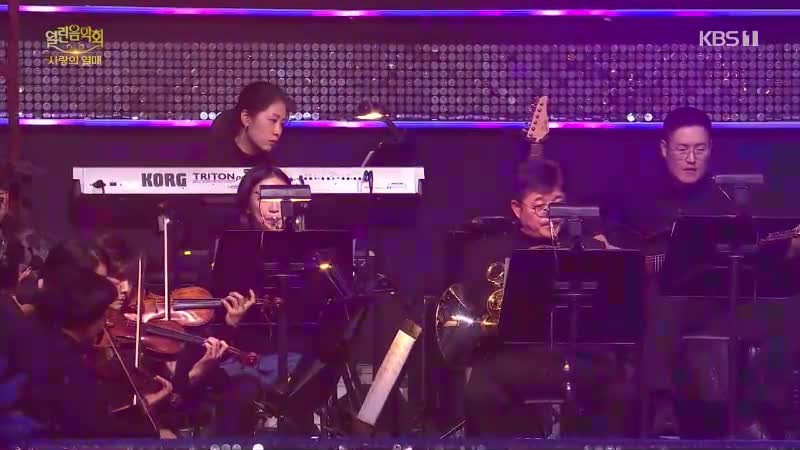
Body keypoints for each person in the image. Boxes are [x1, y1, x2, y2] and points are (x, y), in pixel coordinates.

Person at [604, 107, 800, 438]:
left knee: (792, 308)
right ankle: (660, 404)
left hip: (725, 305)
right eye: (682, 149)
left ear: (711, 149)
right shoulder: (638, 199)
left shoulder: (728, 199)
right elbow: (610, 243)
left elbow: (763, 251)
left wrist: (788, 247)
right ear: (664, 149)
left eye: (700, 149)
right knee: (668, 293)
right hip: (666, 308)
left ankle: (759, 416)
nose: (691, 159)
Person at [462, 158, 635, 437]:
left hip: (579, 356)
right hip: (519, 358)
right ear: (517, 209)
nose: (550, 214)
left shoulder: (588, 248)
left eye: (557, 204)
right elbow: (478, 304)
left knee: (620, 388)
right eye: (540, 206)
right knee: (481, 389)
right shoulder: (491, 252)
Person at [0, 243, 165, 438]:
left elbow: (82, 416)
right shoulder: (39, 345)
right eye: (92, 282)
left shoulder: (67, 342)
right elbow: (84, 428)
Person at [209, 81, 294, 166]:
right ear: (246, 118)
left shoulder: (276, 168)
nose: (278, 131)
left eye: (282, 124)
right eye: (273, 120)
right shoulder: (212, 162)